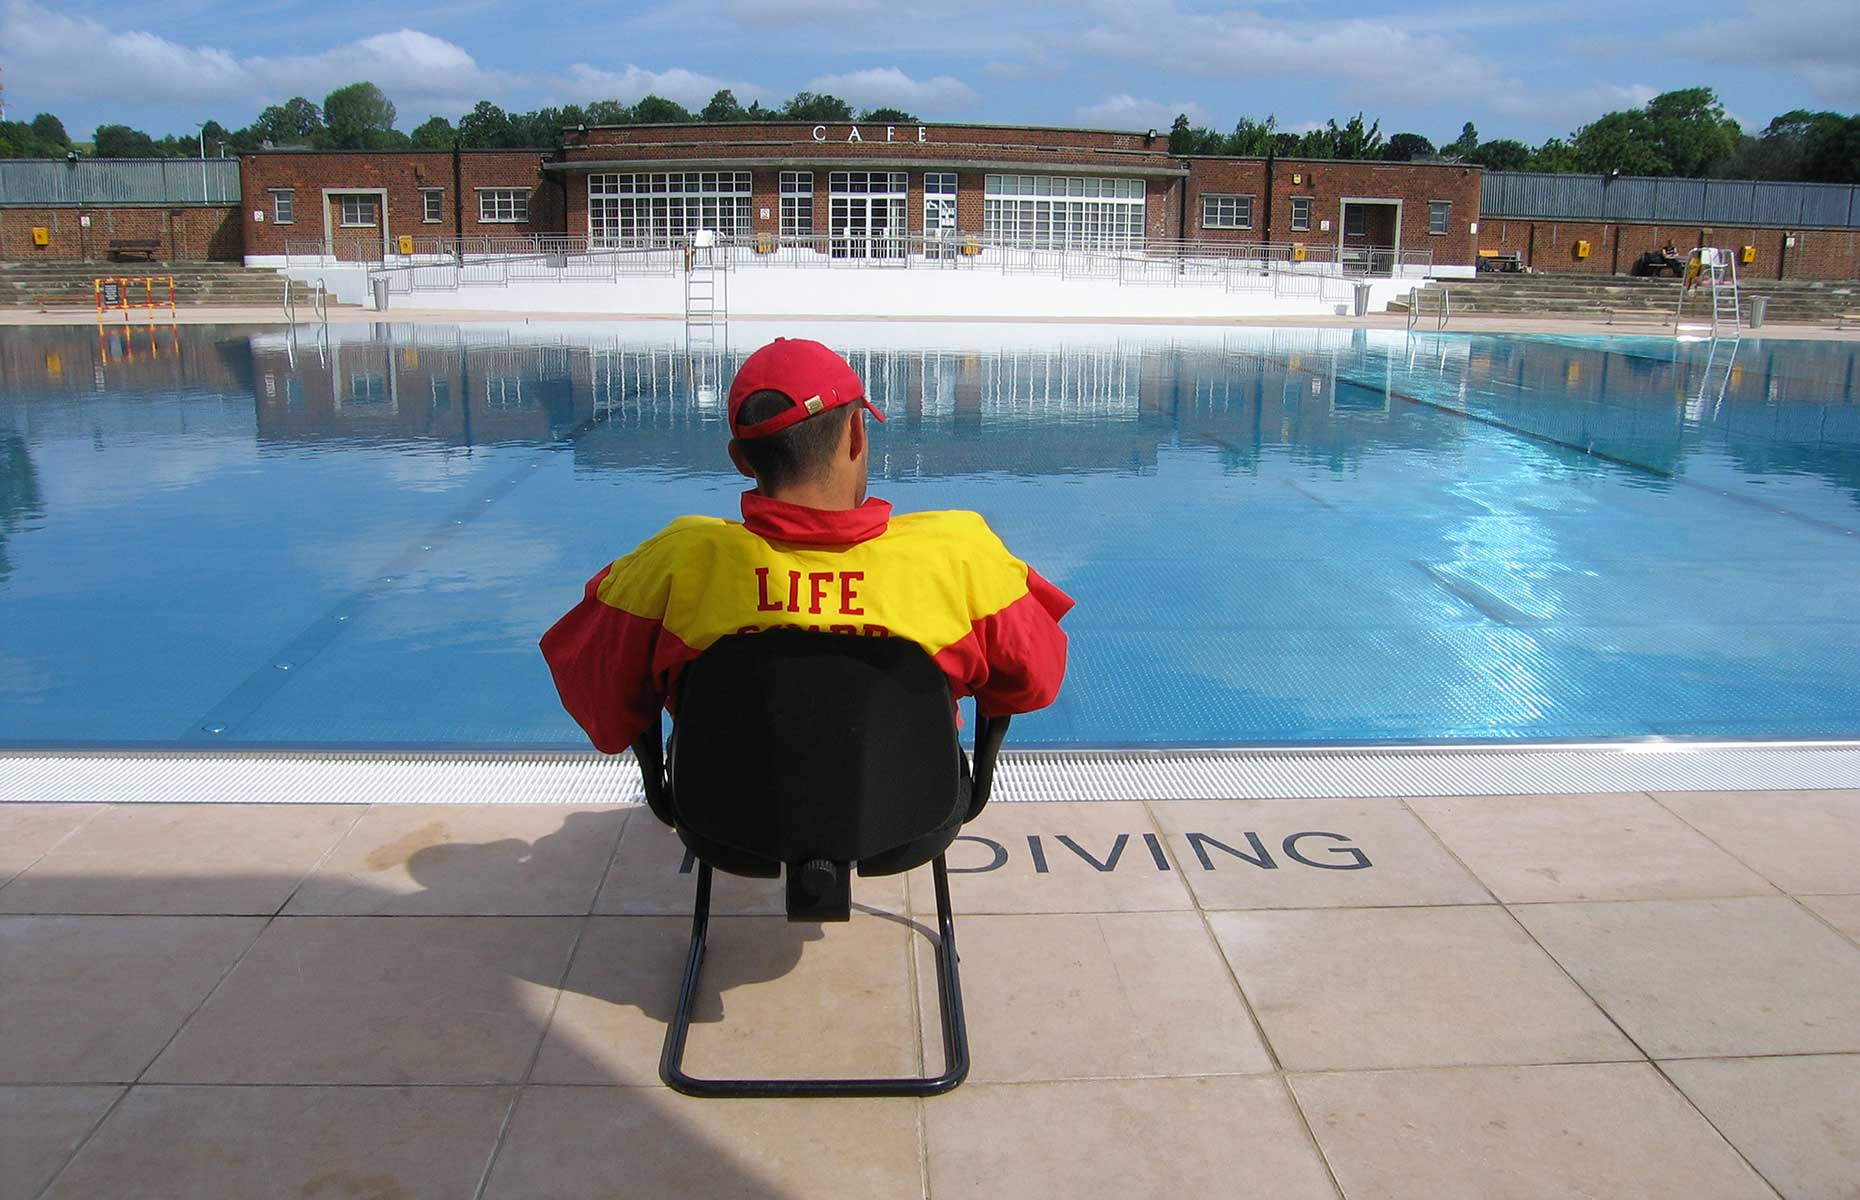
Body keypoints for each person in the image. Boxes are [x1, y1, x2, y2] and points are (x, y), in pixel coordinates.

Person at [540, 336, 1073, 759]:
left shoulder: (672, 563)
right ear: (857, 436)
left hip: (725, 818)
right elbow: (1036, 684)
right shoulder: (960, 554)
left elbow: (603, 710)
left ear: (741, 459)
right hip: (910, 809)